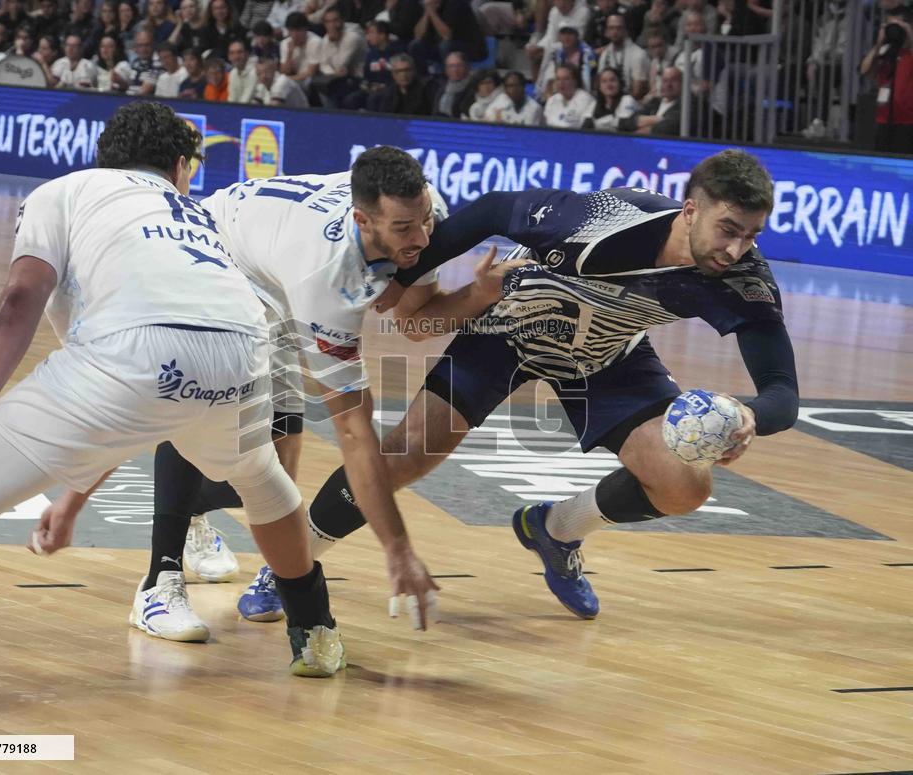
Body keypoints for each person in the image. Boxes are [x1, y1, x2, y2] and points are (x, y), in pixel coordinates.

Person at [0, 102, 344, 724]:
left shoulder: (66, 191)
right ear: (180, 167)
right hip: (243, 353)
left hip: (136, 355)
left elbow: (23, 299)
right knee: (264, 481)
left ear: (104, 157)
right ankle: (316, 631)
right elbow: (134, 408)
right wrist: (72, 502)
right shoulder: (198, 215)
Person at [235, 149, 800, 623]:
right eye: (728, 230)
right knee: (403, 456)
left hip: (604, 354)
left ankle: (556, 529)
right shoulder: (597, 219)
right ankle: (290, 567)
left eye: (751, 235)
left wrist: (750, 415)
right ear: (690, 210)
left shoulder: (743, 279)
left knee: (686, 487)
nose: (736, 250)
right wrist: (403, 275)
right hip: (508, 328)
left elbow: (782, 392)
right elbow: (493, 209)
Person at [43, 147, 530, 634]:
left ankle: (191, 510)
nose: (423, 237)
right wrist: (397, 549)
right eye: (405, 228)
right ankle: (159, 581)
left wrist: (475, 295)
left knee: (276, 462)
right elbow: (354, 432)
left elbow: (414, 322)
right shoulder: (328, 279)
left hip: (271, 264)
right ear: (362, 220)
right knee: (202, 395)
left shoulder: (423, 212)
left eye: (423, 221)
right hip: (215, 256)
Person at [860, 7, 913, 154]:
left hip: (908, 123)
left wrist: (909, 34)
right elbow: (865, 71)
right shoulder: (886, 51)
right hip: (884, 120)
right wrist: (879, 44)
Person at [544, 63, 596, 128]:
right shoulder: (551, 100)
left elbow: (586, 128)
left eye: (566, 79)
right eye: (558, 79)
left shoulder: (587, 100)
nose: (561, 83)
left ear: (575, 81)